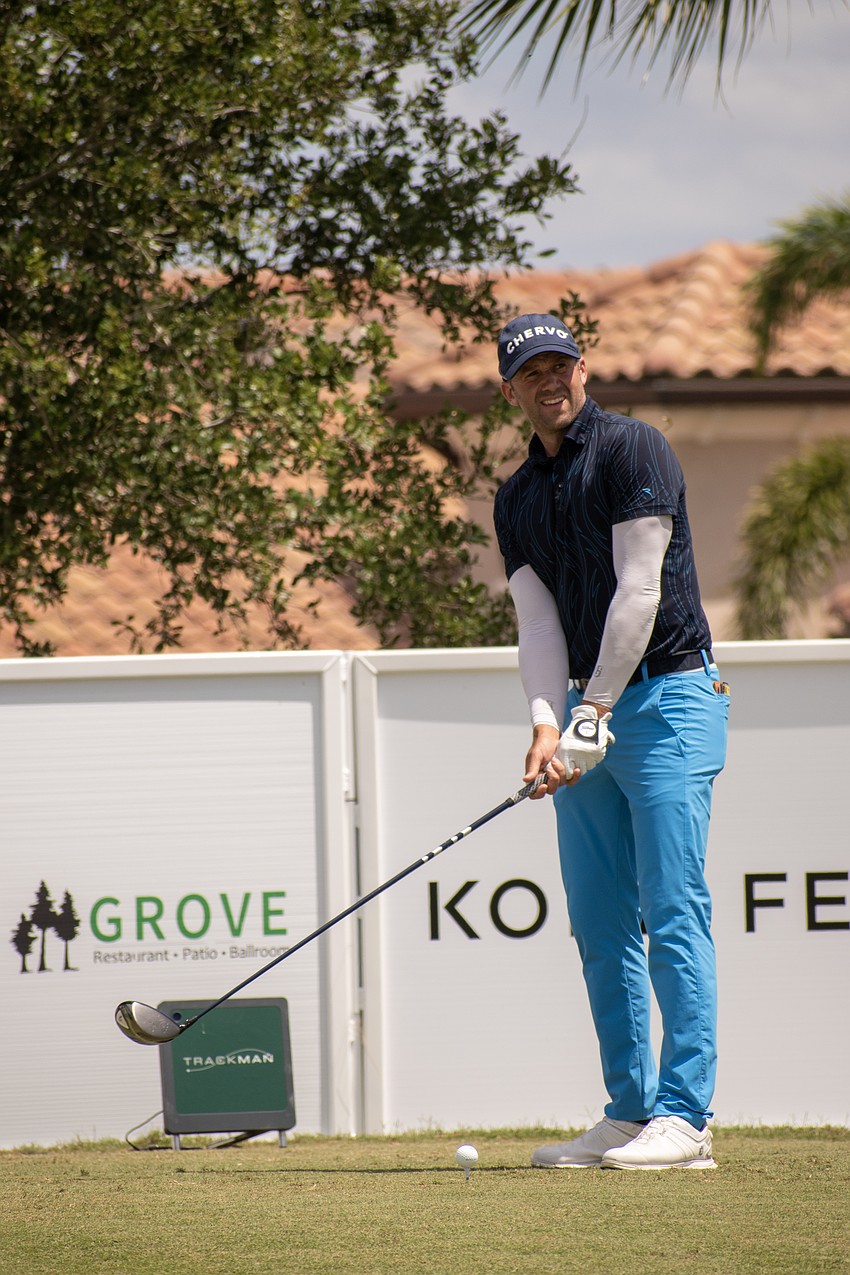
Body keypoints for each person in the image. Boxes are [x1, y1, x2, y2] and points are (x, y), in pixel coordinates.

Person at [494, 313, 730, 1170]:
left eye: (562, 364)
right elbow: (538, 621)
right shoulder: (516, 496)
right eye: (532, 372)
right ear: (511, 390)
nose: (550, 381)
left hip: (668, 696)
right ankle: (628, 1112)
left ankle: (687, 1116)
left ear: (582, 367)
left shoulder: (635, 450)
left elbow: (639, 592)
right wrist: (547, 722)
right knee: (600, 919)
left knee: (672, 909)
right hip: (589, 712)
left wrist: (589, 711)